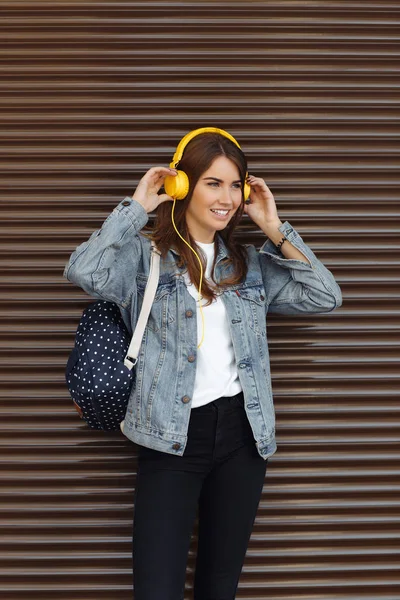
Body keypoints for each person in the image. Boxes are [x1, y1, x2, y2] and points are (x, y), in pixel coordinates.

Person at [64, 128, 342, 600]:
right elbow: (83, 270)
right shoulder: (144, 258)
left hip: (243, 438)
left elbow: (325, 295)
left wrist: (275, 227)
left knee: (219, 587)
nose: (228, 198)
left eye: (236, 185)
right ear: (182, 186)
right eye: (214, 183)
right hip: (170, 438)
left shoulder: (248, 263)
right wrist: (137, 207)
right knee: (157, 588)